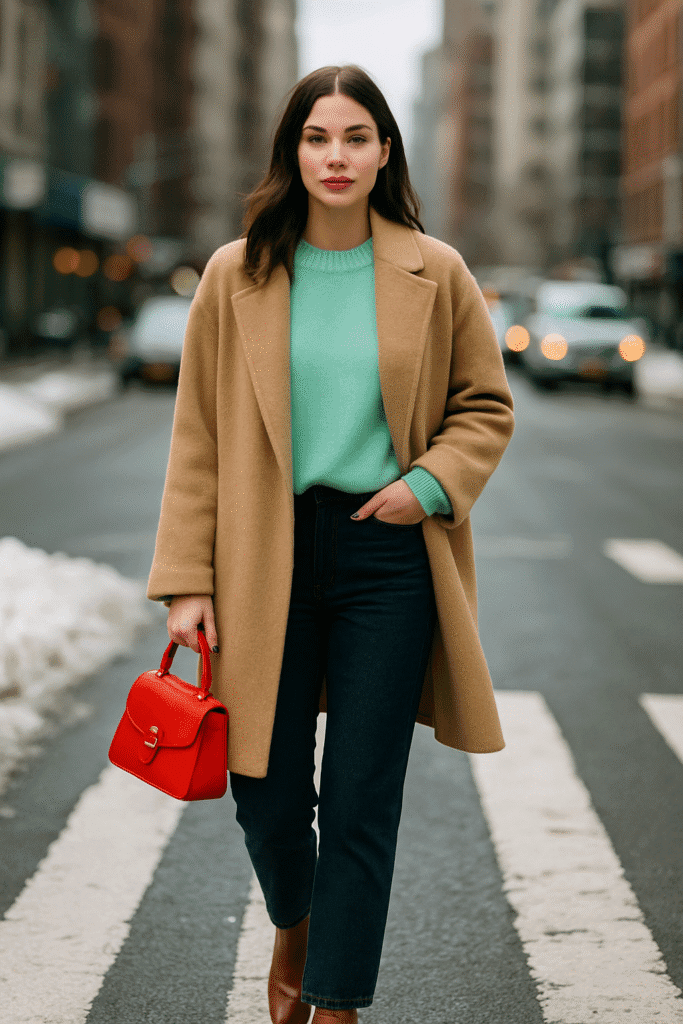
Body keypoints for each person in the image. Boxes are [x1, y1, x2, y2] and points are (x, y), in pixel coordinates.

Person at [147, 64, 515, 1024]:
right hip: (265, 552)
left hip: (386, 555)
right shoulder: (237, 273)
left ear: (385, 150)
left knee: (360, 797)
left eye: (355, 136)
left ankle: (338, 1002)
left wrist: (425, 486)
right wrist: (188, 577)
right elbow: (198, 436)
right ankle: (297, 923)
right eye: (318, 137)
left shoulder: (437, 272)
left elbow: (483, 405)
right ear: (292, 152)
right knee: (265, 790)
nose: (336, 155)